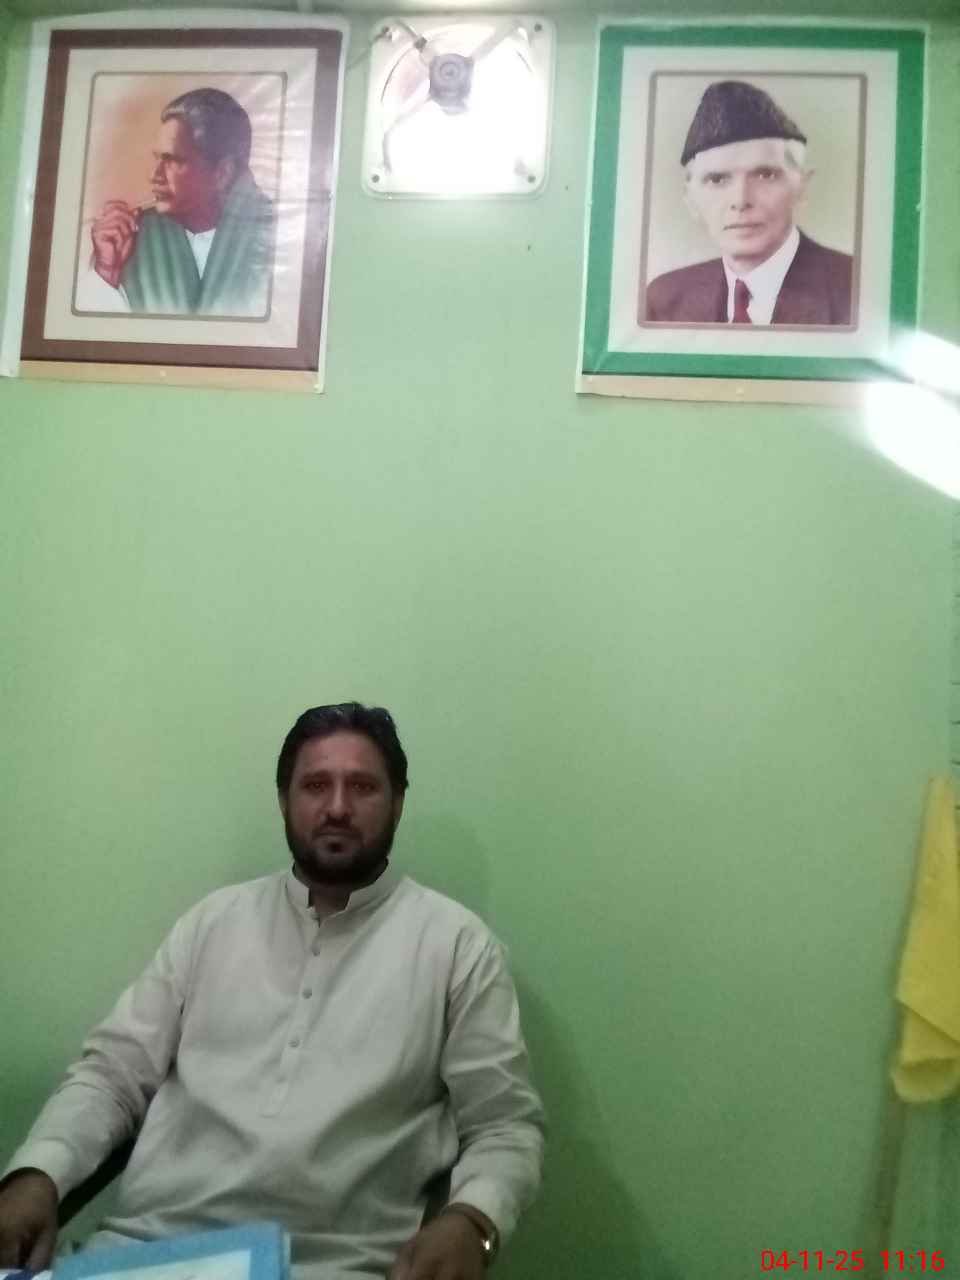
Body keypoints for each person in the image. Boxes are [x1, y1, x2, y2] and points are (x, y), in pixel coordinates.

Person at [0, 703, 544, 1280]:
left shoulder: (457, 947)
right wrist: (37, 1175)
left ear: (398, 803)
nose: (337, 808)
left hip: (334, 1267)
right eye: (316, 785)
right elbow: (112, 1073)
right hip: (145, 1254)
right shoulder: (213, 923)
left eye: (362, 786)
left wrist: (473, 1221)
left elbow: (504, 1126)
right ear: (285, 800)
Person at [644, 80, 854, 327]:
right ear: (690, 200)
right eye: (717, 179)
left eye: (765, 175)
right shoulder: (664, 299)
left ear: (802, 188)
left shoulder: (857, 288)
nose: (740, 200)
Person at [77, 88, 275, 317]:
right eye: (157, 159)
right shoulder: (128, 241)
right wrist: (107, 271)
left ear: (223, 173)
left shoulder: (277, 235)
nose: (154, 175)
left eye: (172, 160)